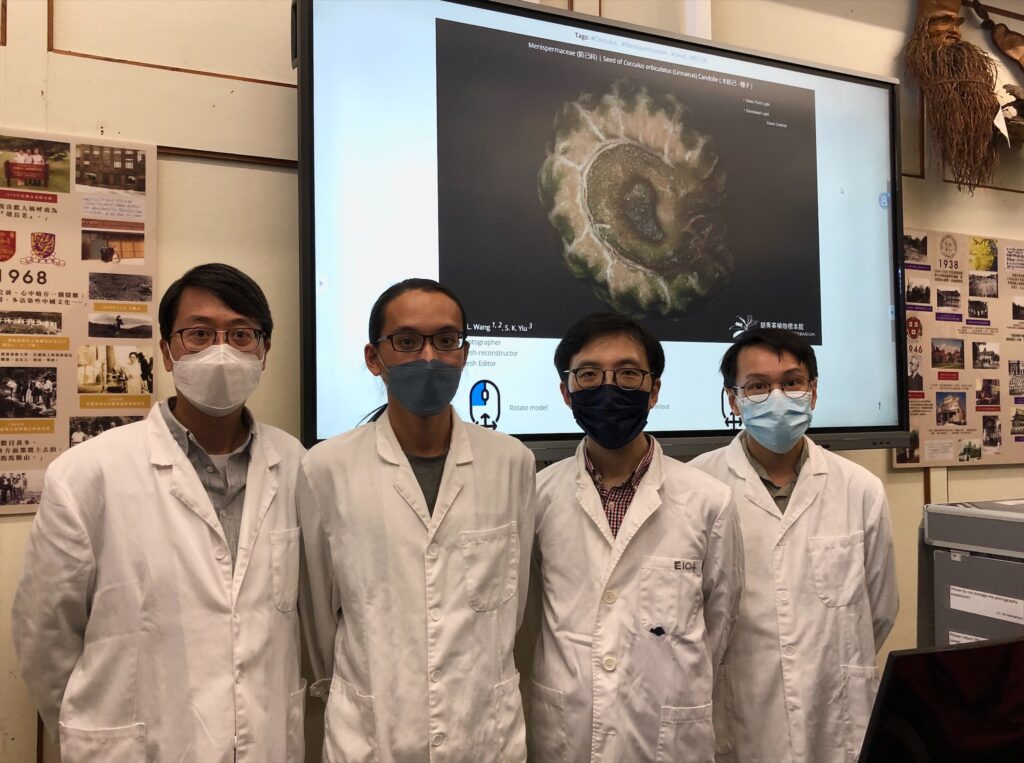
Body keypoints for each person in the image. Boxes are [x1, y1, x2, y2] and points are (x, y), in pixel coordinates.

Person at [12, 263, 308, 762]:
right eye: (199, 333)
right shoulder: (87, 473)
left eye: (240, 334)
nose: (221, 350)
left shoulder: (296, 462)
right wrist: (94, 730)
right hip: (138, 746)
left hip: (264, 741)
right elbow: (45, 640)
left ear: (265, 351)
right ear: (167, 351)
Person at [298, 278, 536, 761]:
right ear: (374, 357)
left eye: (446, 341)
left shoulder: (512, 461)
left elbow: (511, 610)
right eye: (407, 342)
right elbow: (320, 618)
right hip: (372, 733)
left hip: (482, 733)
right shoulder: (326, 468)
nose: (429, 356)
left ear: (465, 354)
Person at [525, 313, 743, 762]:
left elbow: (719, 626)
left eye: (627, 373)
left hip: (666, 733)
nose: (608, 388)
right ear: (566, 394)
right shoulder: (537, 496)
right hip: (570, 731)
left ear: (654, 389)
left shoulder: (708, 500)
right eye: (589, 375)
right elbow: (529, 621)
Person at [689, 328, 899, 763]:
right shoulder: (696, 487)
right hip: (742, 714)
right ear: (734, 400)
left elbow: (879, 609)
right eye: (758, 386)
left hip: (835, 718)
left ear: (813, 391)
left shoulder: (860, 489)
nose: (778, 396)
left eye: (792, 382)